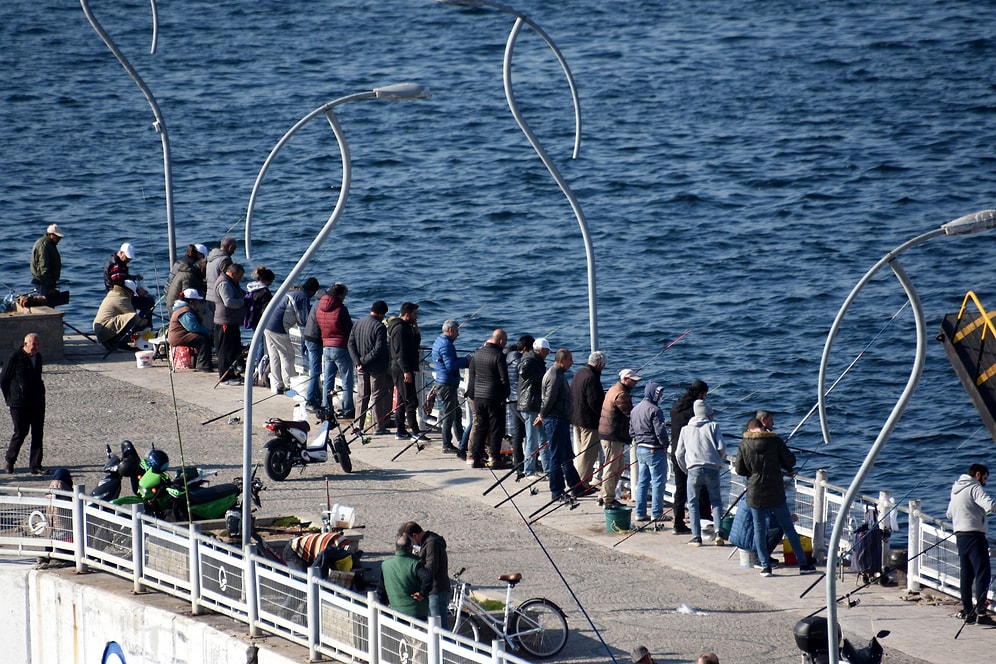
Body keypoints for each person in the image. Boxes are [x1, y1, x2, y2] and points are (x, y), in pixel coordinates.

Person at [734, 414, 817, 576]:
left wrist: (754, 474)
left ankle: (765, 566)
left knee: (759, 529)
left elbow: (739, 470)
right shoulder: (775, 441)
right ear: (762, 427)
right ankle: (803, 564)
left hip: (754, 492)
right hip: (776, 491)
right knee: (788, 527)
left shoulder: (743, 445)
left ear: (750, 430)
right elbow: (790, 461)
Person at [946, 463, 996, 625]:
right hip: (975, 536)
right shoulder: (974, 487)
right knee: (983, 573)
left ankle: (968, 612)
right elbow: (990, 505)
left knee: (966, 575)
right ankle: (981, 613)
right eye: (985, 478)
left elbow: (949, 514)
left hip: (961, 536)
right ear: (977, 475)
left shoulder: (956, 489)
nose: (985, 482)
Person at [536, 348, 587, 500]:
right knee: (557, 456)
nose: (572, 363)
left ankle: (576, 487)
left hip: (561, 419)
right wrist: (542, 415)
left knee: (566, 455)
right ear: (562, 360)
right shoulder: (554, 375)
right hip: (555, 420)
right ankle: (556, 491)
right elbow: (548, 399)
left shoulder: (558, 374)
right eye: (570, 360)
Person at [675, 399, 726, 546]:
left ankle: (696, 536)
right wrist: (717, 460)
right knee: (716, 501)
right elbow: (722, 448)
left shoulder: (685, 429)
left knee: (692, 503)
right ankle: (718, 532)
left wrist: (686, 468)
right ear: (707, 414)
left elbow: (679, 453)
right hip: (712, 468)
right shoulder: (714, 426)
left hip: (693, 469)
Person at [263, 277, 320, 394]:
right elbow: (303, 320)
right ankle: (290, 385)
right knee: (287, 356)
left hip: (266, 324)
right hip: (278, 328)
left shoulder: (292, 292)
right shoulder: (302, 296)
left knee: (274, 356)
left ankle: (277, 385)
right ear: (313, 291)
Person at [2, 333, 47, 475]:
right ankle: (10, 461)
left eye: (38, 345)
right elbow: (3, 380)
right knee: (20, 432)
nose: (36, 347)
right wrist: (11, 398)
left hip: (37, 401)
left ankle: (35, 465)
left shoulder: (38, 357)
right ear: (26, 344)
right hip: (19, 403)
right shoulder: (15, 357)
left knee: (38, 433)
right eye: (34, 344)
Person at [669, 380, 709, 535]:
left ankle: (678, 523)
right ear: (700, 394)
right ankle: (705, 520)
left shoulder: (676, 407)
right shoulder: (694, 411)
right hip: (691, 454)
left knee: (681, 489)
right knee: (702, 487)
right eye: (705, 394)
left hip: (675, 451)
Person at [467, 329, 510, 468]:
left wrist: (472, 395)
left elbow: (472, 377)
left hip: (478, 397)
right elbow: (504, 379)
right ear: (501, 341)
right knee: (496, 429)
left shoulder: (477, 354)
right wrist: (505, 394)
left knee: (481, 427)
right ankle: (495, 459)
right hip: (493, 397)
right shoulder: (499, 355)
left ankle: (476, 458)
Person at [598, 368, 640, 509]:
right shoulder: (621, 394)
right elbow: (630, 414)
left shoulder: (613, 388)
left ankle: (604, 494)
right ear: (625, 380)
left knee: (619, 465)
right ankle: (608, 499)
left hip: (609, 433)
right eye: (632, 380)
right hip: (612, 435)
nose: (635, 383)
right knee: (611, 466)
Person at [348, 300, 391, 434]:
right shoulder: (379, 327)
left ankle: (357, 426)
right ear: (381, 313)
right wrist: (363, 361)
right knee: (377, 396)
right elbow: (379, 349)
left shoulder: (359, 322)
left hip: (361, 368)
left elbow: (350, 344)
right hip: (376, 368)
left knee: (362, 396)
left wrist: (357, 362)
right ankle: (378, 427)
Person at [630, 381, 669, 522]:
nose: (660, 396)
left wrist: (640, 441)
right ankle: (656, 513)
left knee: (642, 482)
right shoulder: (655, 410)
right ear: (654, 393)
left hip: (640, 449)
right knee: (658, 482)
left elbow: (631, 431)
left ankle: (640, 513)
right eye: (659, 394)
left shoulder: (635, 409)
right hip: (654, 450)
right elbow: (660, 431)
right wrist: (666, 444)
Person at [399, 521, 449, 627]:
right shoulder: (427, 542)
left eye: (409, 540)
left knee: (440, 629)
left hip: (436, 591)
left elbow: (430, 569)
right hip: (432, 591)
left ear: (415, 536)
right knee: (433, 628)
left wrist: (422, 590)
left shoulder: (432, 544)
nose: (409, 543)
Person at [431, 319, 469, 453]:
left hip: (444, 382)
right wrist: (466, 360)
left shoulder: (440, 341)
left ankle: (461, 440)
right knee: (450, 414)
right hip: (446, 384)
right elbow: (450, 366)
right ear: (451, 330)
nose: (458, 335)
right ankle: (446, 444)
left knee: (456, 412)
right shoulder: (446, 345)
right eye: (457, 331)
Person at [388, 302, 424, 441]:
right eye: (415, 314)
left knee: (403, 400)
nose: (417, 317)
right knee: (410, 400)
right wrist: (406, 371)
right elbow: (400, 352)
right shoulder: (400, 329)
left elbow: (414, 344)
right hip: (401, 369)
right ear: (407, 314)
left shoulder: (407, 328)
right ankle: (415, 431)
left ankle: (401, 429)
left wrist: (416, 331)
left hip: (404, 368)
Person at [317, 283, 354, 415]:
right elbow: (349, 329)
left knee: (328, 378)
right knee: (347, 378)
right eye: (344, 295)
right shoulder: (341, 309)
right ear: (339, 295)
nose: (344, 298)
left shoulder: (320, 308)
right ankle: (348, 408)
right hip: (341, 346)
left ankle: (326, 406)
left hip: (326, 346)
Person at [571, 350, 607, 490]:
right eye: (603, 365)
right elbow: (594, 402)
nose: (603, 368)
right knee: (587, 455)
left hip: (576, 418)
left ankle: (579, 481)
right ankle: (581, 484)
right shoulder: (592, 377)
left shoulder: (579, 373)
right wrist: (603, 415)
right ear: (599, 364)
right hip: (589, 421)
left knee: (581, 452)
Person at [379, 535, 432, 619]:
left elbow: (381, 590)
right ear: (410, 549)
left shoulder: (385, 565)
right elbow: (428, 578)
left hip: (395, 611)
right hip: (416, 613)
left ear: (396, 548)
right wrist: (422, 593)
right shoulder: (415, 564)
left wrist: (382, 609)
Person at [518, 337, 550, 476]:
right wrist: (542, 377)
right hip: (530, 404)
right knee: (532, 439)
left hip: (536, 405)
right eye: (547, 351)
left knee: (543, 438)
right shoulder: (529, 359)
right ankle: (529, 470)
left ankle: (548, 469)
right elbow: (523, 370)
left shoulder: (535, 360)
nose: (548, 354)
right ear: (541, 350)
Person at [213, 262, 246, 384]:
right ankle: (225, 377)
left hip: (232, 322)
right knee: (225, 351)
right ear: (233, 273)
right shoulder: (224, 283)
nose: (240, 279)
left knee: (233, 349)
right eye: (239, 276)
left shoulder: (231, 282)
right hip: (224, 322)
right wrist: (243, 302)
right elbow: (229, 302)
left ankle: (232, 374)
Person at [103, 243, 153, 322]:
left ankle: (142, 324)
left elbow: (123, 277)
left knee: (149, 301)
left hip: (124, 295)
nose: (129, 260)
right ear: (121, 253)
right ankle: (139, 325)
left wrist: (134, 277)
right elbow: (118, 283)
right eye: (127, 257)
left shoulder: (120, 263)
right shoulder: (115, 265)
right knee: (148, 303)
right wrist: (136, 290)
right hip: (118, 297)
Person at [93, 280, 149, 350]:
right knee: (133, 318)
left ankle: (115, 341)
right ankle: (120, 343)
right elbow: (134, 317)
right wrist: (144, 322)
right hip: (104, 330)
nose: (132, 296)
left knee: (130, 320)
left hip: (101, 330)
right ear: (129, 291)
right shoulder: (121, 298)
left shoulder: (113, 294)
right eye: (132, 293)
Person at [166, 288, 213, 372]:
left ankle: (202, 362)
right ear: (191, 301)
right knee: (203, 339)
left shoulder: (180, 308)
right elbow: (192, 327)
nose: (197, 303)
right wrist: (208, 331)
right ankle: (203, 365)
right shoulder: (185, 311)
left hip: (180, 335)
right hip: (177, 338)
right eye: (196, 301)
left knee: (203, 337)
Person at [204, 236, 236, 327]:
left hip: (209, 296)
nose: (233, 252)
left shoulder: (211, 259)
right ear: (230, 248)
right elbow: (229, 278)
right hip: (220, 298)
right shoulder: (225, 260)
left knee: (213, 326)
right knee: (222, 326)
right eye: (234, 249)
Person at [164, 244, 206, 310]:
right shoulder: (189, 269)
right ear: (200, 255)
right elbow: (188, 294)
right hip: (176, 304)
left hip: (169, 297)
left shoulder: (180, 262)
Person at [505, 338, 526, 471]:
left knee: (517, 433)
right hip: (520, 400)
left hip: (511, 399)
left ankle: (518, 462)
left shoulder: (506, 361)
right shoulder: (518, 362)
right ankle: (531, 462)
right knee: (530, 432)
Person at [30, 224, 65, 300]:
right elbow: (43, 266)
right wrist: (50, 285)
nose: (59, 239)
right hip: (42, 282)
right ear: (51, 235)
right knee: (45, 306)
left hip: (46, 282)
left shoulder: (50, 244)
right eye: (57, 237)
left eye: (60, 237)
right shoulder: (43, 245)